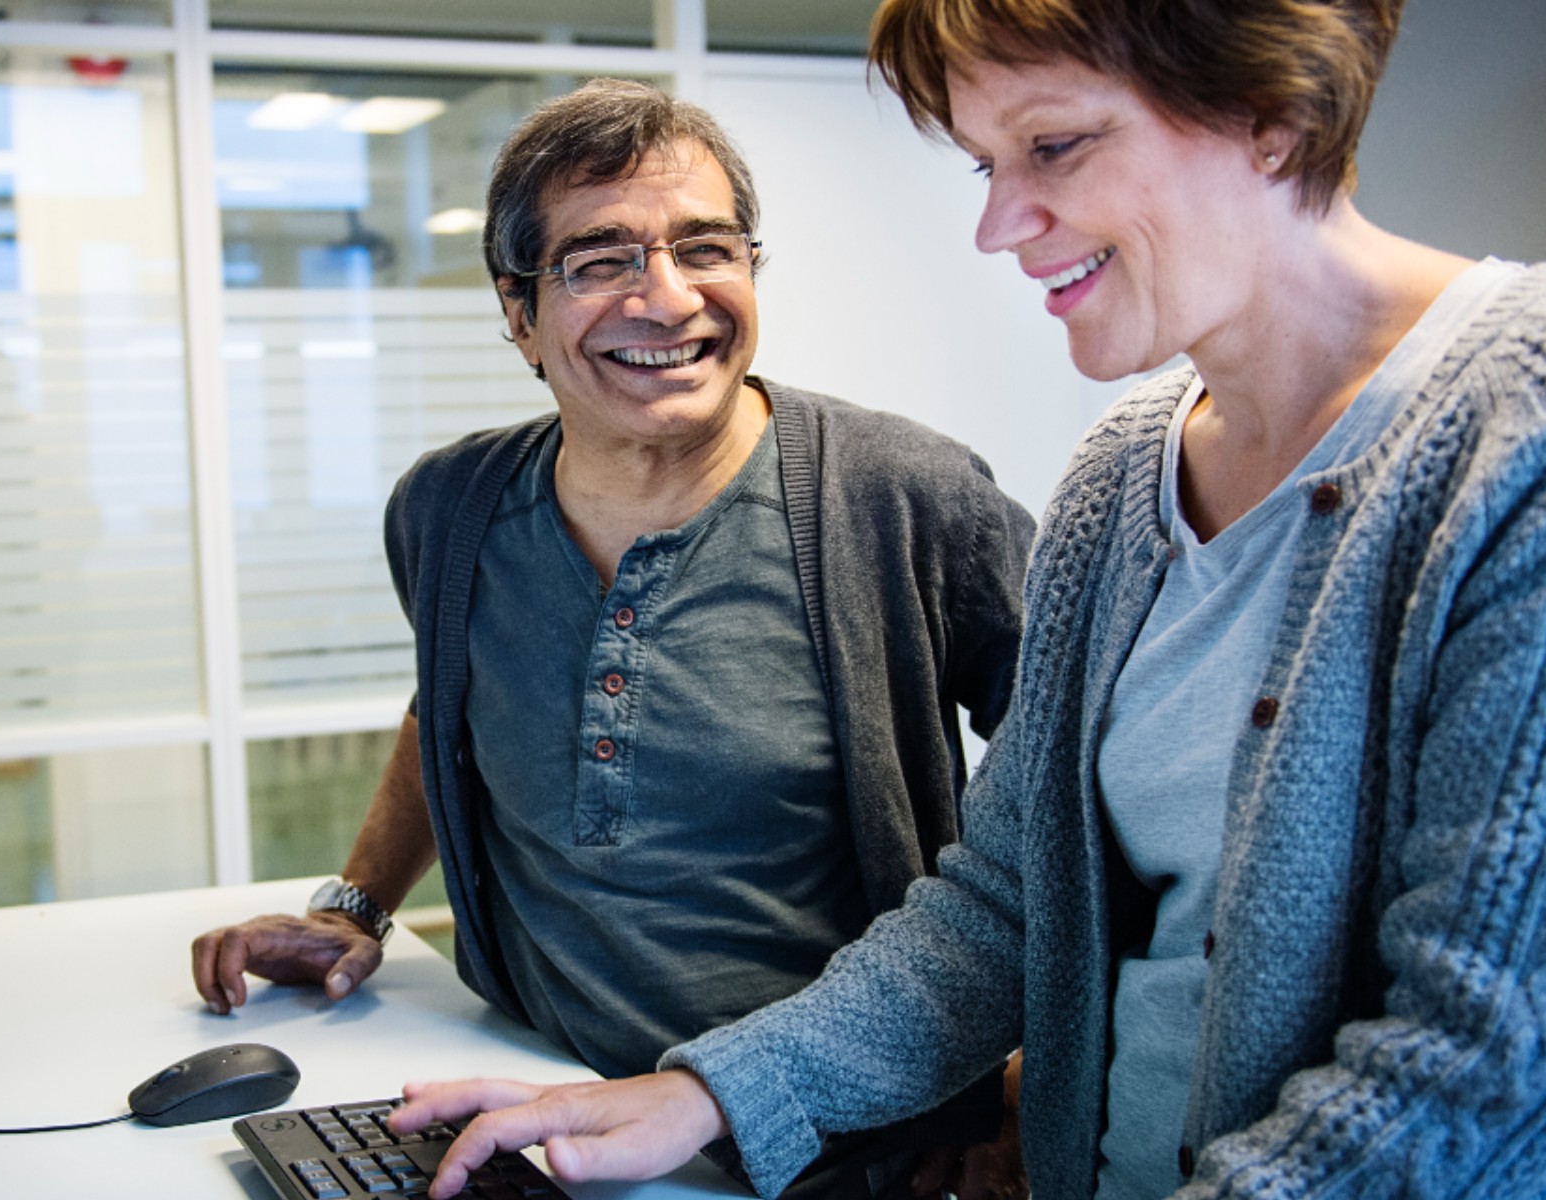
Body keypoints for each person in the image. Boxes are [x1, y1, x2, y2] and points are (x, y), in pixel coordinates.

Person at [389, 2, 1546, 1199]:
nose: (999, 223)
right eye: (988, 164)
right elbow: (1000, 906)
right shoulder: (1127, 471)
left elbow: (1493, 1054)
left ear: (1270, 111)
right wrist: (706, 1094)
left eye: (1051, 148)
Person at [190, 80, 1036, 1196]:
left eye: (707, 248)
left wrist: (1026, 1080)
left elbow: (1081, 802)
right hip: (539, 1107)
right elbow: (449, 709)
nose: (668, 299)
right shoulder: (450, 511)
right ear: (516, 309)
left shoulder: (906, 500)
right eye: (600, 261)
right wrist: (355, 905)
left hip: (840, 1151)